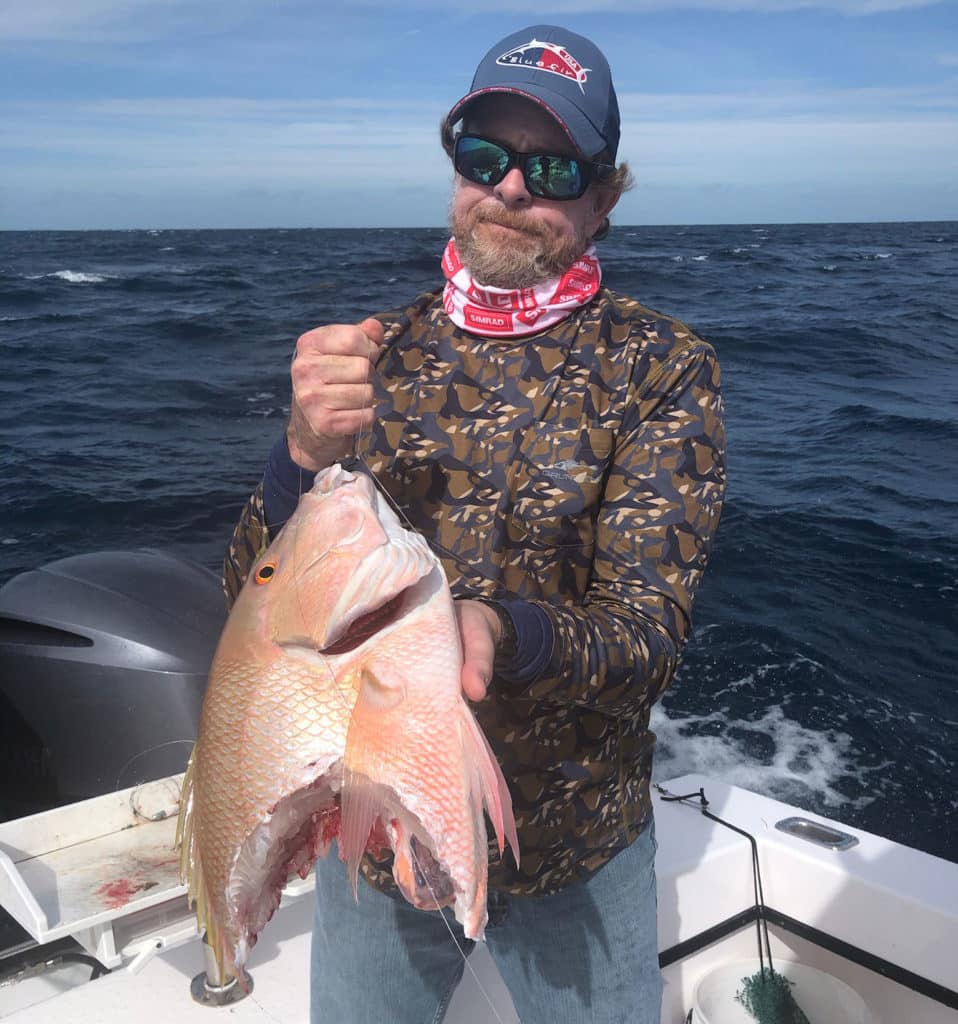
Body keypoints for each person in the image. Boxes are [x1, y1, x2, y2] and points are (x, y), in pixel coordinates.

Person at [224, 23, 726, 1024]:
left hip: (573, 837)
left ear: (604, 194)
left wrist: (505, 633)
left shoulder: (661, 368)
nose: (508, 188)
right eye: (484, 156)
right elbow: (254, 596)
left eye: (549, 166)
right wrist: (298, 458)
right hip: (376, 824)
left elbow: (647, 632)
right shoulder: (377, 352)